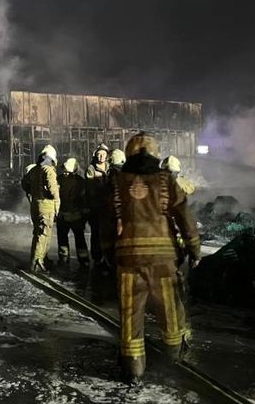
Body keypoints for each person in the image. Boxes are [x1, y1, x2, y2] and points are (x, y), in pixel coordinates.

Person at [112, 132, 200, 383]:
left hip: (129, 260)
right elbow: (184, 216)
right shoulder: (165, 180)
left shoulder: (118, 181)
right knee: (169, 308)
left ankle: (133, 369)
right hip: (163, 258)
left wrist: (109, 253)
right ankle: (172, 357)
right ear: (155, 153)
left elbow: (107, 222)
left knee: (130, 313)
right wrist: (194, 250)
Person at [22, 145, 60, 273]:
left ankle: (43, 258)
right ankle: (37, 262)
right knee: (44, 233)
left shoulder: (34, 170)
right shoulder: (48, 170)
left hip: (35, 204)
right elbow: (53, 190)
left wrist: (32, 192)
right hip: (46, 205)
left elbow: (24, 183)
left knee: (39, 232)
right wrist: (57, 204)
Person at [57, 157, 89, 265]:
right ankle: (84, 260)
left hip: (62, 215)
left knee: (62, 238)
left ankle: (63, 259)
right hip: (76, 215)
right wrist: (84, 216)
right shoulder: (80, 181)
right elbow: (84, 200)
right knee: (79, 238)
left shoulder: (58, 179)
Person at [85, 143, 112, 263]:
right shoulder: (91, 170)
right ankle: (97, 258)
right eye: (99, 154)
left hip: (109, 207)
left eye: (103, 154)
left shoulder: (110, 168)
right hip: (96, 207)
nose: (101, 157)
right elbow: (90, 190)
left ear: (107, 156)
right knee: (96, 233)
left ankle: (107, 258)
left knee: (108, 233)